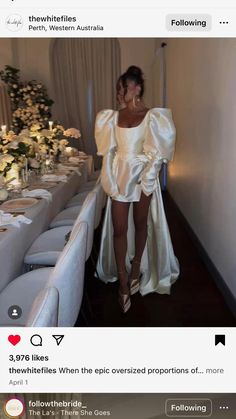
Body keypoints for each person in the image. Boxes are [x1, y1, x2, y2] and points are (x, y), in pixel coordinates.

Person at [95, 65, 180, 313]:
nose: (120, 93)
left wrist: (149, 180)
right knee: (119, 228)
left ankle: (136, 268)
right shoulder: (111, 117)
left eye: (124, 88)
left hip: (143, 175)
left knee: (141, 224)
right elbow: (109, 152)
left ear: (137, 88)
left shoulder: (153, 116)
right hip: (120, 174)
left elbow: (157, 153)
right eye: (118, 89)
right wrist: (108, 177)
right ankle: (122, 279)